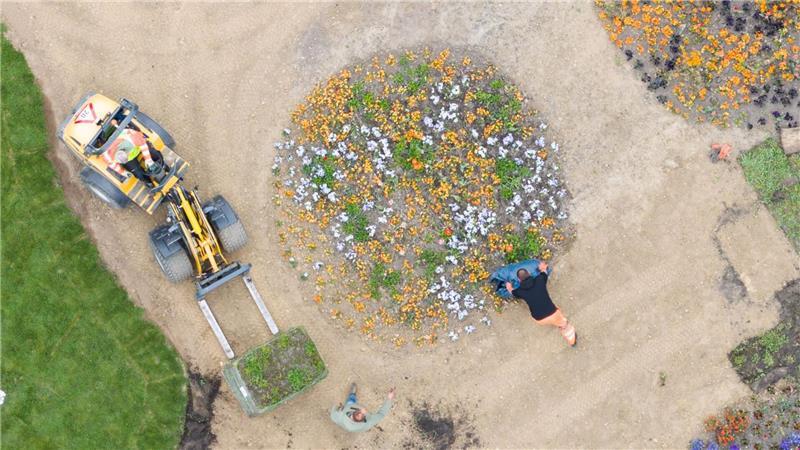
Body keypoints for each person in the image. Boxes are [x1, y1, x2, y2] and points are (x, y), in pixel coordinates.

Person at [505, 260, 577, 347]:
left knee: (551, 315)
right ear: (529, 274)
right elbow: (544, 272)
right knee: (564, 325)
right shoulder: (540, 280)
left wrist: (508, 285)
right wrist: (542, 268)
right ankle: (571, 341)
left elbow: (511, 291)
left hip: (539, 319)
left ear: (519, 280)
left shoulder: (520, 292)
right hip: (552, 313)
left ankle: (557, 323)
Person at [330, 383, 394, 432]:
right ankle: (352, 395)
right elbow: (381, 414)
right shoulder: (368, 423)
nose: (363, 411)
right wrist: (389, 399)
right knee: (351, 402)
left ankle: (352, 394)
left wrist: (339, 408)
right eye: (363, 414)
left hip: (349, 407)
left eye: (358, 413)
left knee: (350, 401)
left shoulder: (340, 415)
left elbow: (333, 413)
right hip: (350, 411)